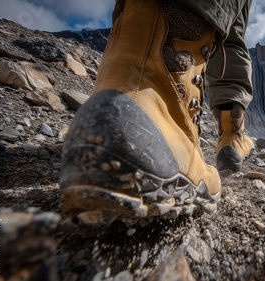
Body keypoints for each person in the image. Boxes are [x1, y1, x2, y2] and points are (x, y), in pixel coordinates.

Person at [58, 0, 254, 221]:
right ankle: (171, 107)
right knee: (227, 24)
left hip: (104, 101)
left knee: (230, 18)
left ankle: (115, 96)